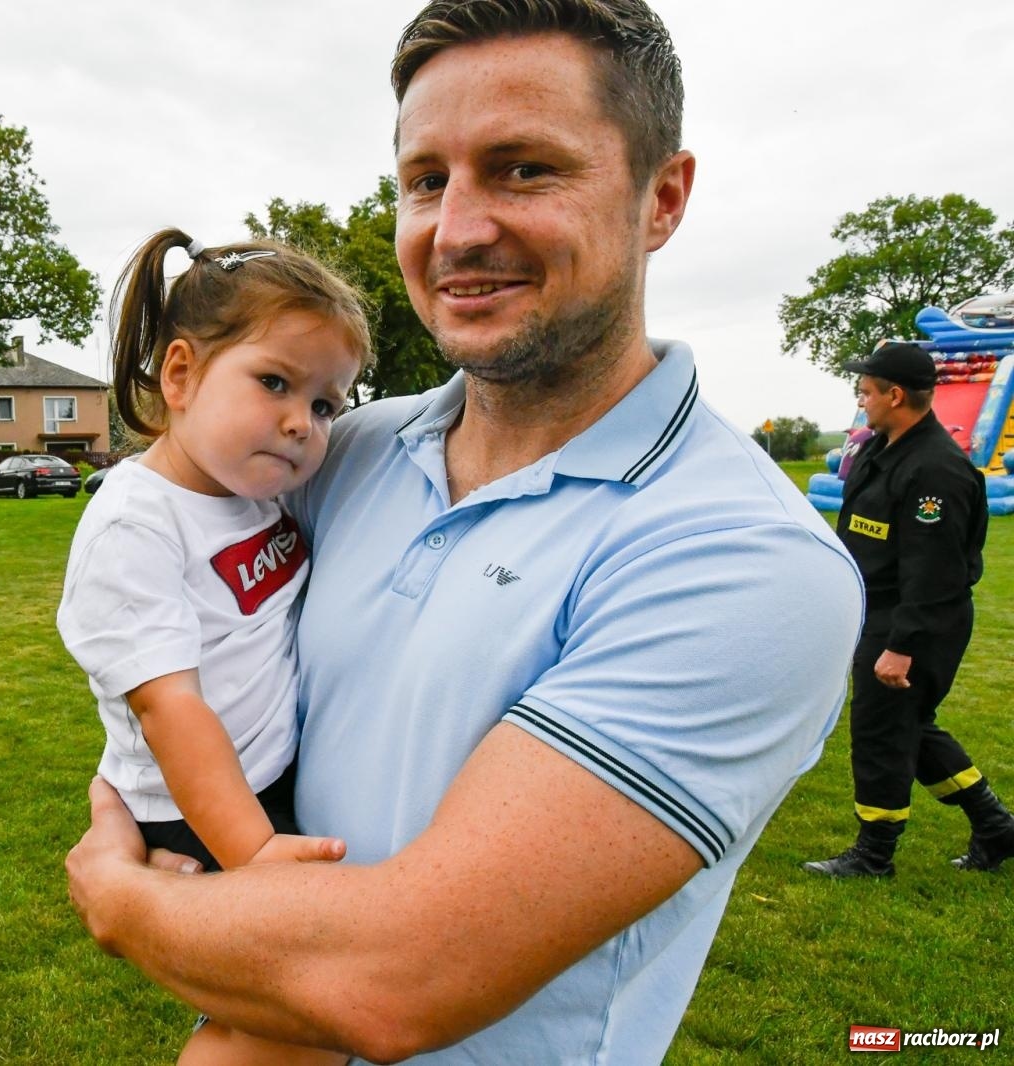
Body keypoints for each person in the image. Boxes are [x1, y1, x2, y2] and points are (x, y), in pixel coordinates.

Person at [64, 3, 865, 1063]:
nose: (459, 229)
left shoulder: (744, 560)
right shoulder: (340, 456)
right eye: (425, 180)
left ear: (660, 197)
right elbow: (179, 589)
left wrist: (127, 902)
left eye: (525, 168)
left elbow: (397, 981)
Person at [59, 230, 372, 1066]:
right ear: (182, 374)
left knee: (275, 1021)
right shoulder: (138, 521)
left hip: (261, 785)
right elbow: (169, 705)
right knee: (306, 1024)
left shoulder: (251, 494)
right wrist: (252, 850)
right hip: (208, 813)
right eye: (275, 381)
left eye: (326, 404)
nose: (301, 422)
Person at [802, 342, 1013, 878]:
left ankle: (874, 856)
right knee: (910, 727)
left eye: (867, 390)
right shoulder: (879, 448)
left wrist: (901, 647)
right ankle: (995, 827)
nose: (860, 398)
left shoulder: (935, 473)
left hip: (914, 622)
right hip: (878, 613)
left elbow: (935, 575)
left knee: (882, 731)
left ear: (896, 395)